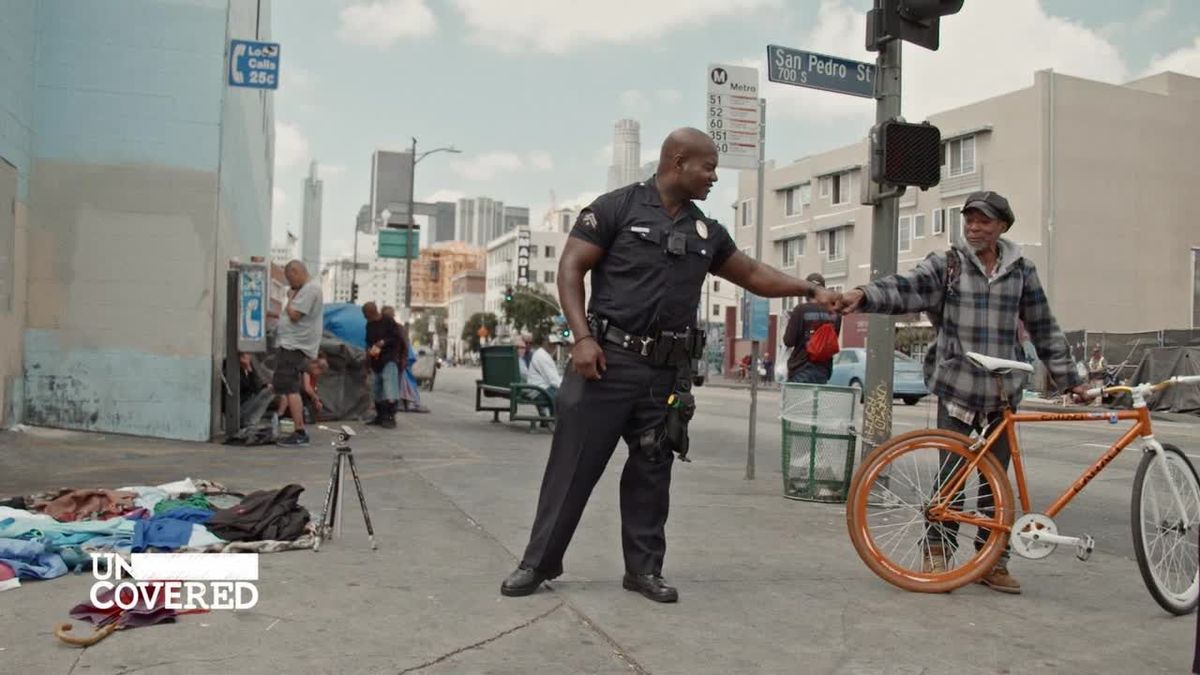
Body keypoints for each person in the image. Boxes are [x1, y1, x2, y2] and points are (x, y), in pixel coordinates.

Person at [500, 128, 838, 603]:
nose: (714, 177)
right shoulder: (616, 208)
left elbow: (754, 274)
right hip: (606, 362)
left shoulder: (705, 231)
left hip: (664, 373)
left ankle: (643, 570)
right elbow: (571, 268)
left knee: (652, 471)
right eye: (708, 167)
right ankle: (538, 563)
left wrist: (808, 288)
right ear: (677, 162)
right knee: (572, 469)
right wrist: (581, 337)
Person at [836, 190, 1093, 594]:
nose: (974, 227)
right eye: (969, 219)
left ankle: (993, 561)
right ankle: (938, 550)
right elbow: (907, 287)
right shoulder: (948, 265)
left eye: (984, 221)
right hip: (957, 387)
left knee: (996, 484)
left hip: (1003, 391)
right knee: (950, 479)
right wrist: (863, 295)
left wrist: (1071, 380)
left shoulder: (1022, 271)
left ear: (1002, 227)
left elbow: (1043, 327)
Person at [273, 261, 324, 448]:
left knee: (290, 387)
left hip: (294, 346)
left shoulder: (310, 289)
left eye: (290, 279)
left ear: (296, 272)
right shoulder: (308, 288)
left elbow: (295, 315)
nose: (290, 284)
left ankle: (300, 431)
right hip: (292, 344)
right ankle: (298, 429)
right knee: (288, 386)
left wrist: (289, 298)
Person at [782, 273, 842, 384]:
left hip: (800, 369)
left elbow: (788, 341)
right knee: (815, 401)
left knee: (798, 401)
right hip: (823, 371)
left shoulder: (800, 310)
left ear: (806, 291)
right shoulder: (835, 313)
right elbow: (832, 342)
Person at [362, 302, 403, 429]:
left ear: (372, 312)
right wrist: (370, 352)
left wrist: (383, 342)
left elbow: (396, 338)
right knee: (376, 389)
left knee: (390, 388)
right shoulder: (369, 325)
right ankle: (380, 416)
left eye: (366, 314)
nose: (365, 317)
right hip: (376, 360)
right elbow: (368, 341)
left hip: (389, 359)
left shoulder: (388, 321)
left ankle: (390, 417)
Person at [301, 356, 328, 423]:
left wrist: (317, 401)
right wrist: (316, 398)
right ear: (316, 367)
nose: (319, 375)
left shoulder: (313, 376)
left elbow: (313, 389)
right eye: (320, 372)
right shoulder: (306, 370)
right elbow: (307, 388)